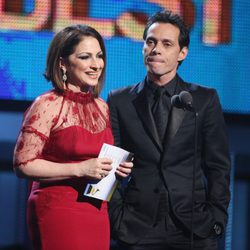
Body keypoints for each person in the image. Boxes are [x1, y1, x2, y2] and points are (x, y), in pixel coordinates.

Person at [108, 10, 231, 250]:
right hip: (137, 227)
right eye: (150, 42)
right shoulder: (119, 100)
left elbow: (218, 166)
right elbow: (110, 165)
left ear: (182, 53)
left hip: (193, 227)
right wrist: (116, 218)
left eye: (166, 44)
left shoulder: (203, 99)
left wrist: (216, 220)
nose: (156, 49)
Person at [13, 24, 133, 250]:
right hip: (58, 210)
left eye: (99, 56)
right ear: (63, 63)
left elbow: (97, 163)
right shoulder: (47, 104)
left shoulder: (102, 107)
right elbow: (22, 164)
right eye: (85, 57)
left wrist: (117, 170)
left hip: (96, 211)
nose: (96, 65)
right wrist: (79, 169)